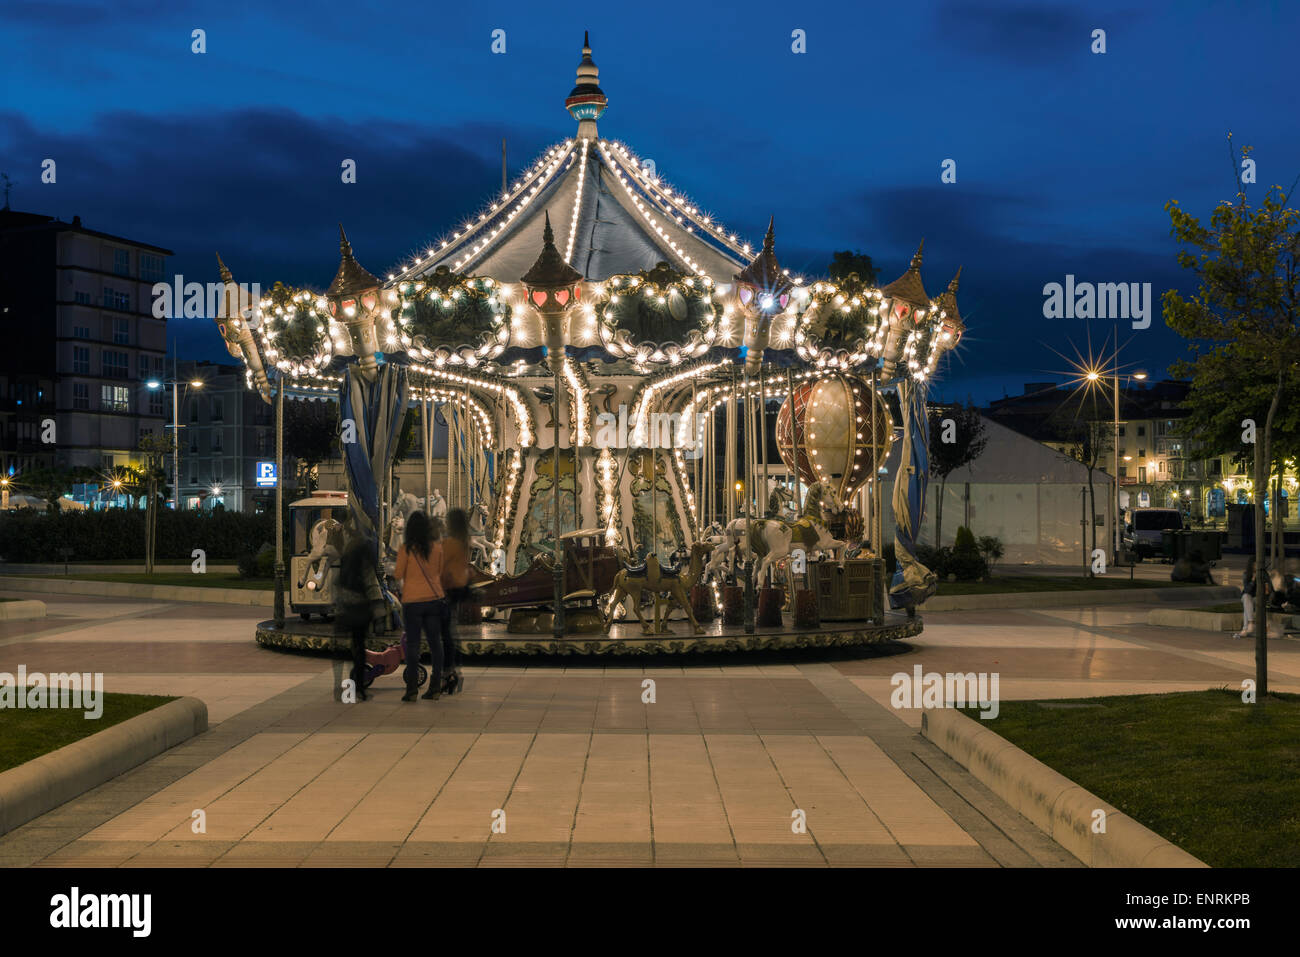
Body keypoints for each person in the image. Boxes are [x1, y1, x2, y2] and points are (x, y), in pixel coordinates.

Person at [395, 511, 446, 701]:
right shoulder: (437, 548)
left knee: (413, 644)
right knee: (435, 644)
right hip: (434, 599)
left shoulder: (406, 549)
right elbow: (439, 572)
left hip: (412, 602)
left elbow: (399, 574)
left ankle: (411, 690)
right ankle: (435, 686)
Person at [336, 527, 384, 701]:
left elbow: (339, 585)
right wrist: (379, 611)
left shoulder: (346, 559)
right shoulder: (365, 562)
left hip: (346, 607)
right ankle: (359, 687)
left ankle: (342, 685)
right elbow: (372, 586)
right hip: (361, 609)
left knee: (345, 649)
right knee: (360, 646)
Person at [441, 508, 472, 695]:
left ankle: (449, 672)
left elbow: (440, 566)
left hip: (448, 588)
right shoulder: (463, 540)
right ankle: (452, 670)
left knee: (445, 633)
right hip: (459, 587)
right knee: (449, 631)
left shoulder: (450, 543)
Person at [1236, 557, 1259, 639]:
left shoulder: (1262, 574)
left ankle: (1245, 629)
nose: (1257, 566)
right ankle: (1251, 622)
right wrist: (1253, 580)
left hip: (1257, 598)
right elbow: (1247, 590)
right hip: (1248, 596)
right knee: (1246, 597)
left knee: (1246, 605)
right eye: (1255, 564)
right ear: (1251, 565)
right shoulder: (1246, 574)